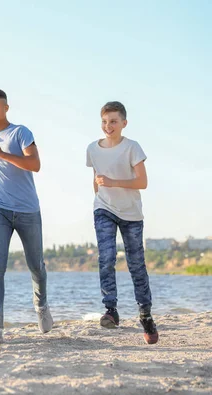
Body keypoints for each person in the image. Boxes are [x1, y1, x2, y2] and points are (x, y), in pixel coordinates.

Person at [0, 88, 53, 345]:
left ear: (6, 107)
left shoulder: (21, 132)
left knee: (36, 265)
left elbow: (35, 165)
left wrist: (2, 155)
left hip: (27, 209)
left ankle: (41, 305)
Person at [86, 101, 158, 345]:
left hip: (131, 214)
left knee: (136, 264)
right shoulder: (92, 149)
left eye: (114, 121)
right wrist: (99, 196)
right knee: (106, 258)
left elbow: (142, 182)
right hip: (103, 209)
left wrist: (113, 182)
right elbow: (95, 180)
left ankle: (145, 315)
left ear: (124, 123)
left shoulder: (132, 148)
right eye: (105, 122)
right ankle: (111, 310)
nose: (108, 126)